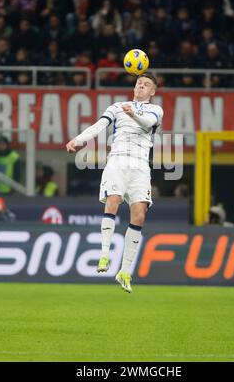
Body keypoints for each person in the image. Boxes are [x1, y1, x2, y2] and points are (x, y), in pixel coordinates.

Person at [66, 72, 163, 293]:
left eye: (146, 84)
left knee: (139, 214)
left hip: (140, 165)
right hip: (118, 160)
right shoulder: (118, 106)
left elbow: (148, 124)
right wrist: (79, 140)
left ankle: (125, 271)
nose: (141, 86)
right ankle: (104, 255)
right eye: (139, 82)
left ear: (152, 92)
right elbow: (99, 126)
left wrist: (134, 115)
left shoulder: (156, 110)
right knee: (113, 200)